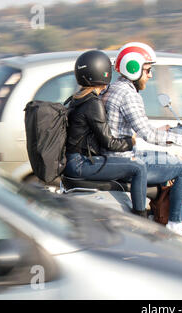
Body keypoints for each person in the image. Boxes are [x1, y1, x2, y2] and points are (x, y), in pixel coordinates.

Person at [102, 42, 182, 244]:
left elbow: (135, 128)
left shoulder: (117, 88)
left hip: (118, 156)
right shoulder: (128, 94)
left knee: (169, 158)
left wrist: (163, 131)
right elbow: (148, 135)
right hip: (124, 161)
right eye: (148, 70)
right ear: (133, 69)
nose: (150, 75)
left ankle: (158, 216)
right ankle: (176, 225)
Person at [64, 49, 148, 217]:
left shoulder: (77, 98)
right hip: (81, 164)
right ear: (103, 73)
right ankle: (141, 218)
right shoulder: (93, 103)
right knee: (139, 167)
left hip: (75, 161)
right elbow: (109, 143)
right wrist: (131, 141)